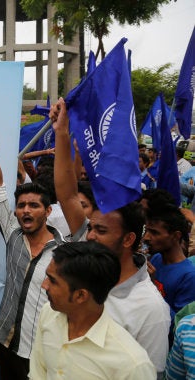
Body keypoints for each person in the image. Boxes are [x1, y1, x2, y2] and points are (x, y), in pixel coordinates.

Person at [51, 97, 171, 378]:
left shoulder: (150, 309)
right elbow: (67, 194)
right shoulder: (89, 255)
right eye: (91, 227)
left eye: (101, 231)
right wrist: (61, 132)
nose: (89, 235)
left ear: (129, 239)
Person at [0, 96, 64, 379]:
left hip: (41, 356)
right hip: (5, 345)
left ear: (48, 211)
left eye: (34, 206)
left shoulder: (64, 253)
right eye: (21, 206)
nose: (26, 210)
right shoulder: (13, 235)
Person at [30, 241, 156, 379]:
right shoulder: (48, 314)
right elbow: (38, 372)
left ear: (80, 295)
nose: (44, 285)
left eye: (53, 281)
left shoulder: (132, 364)